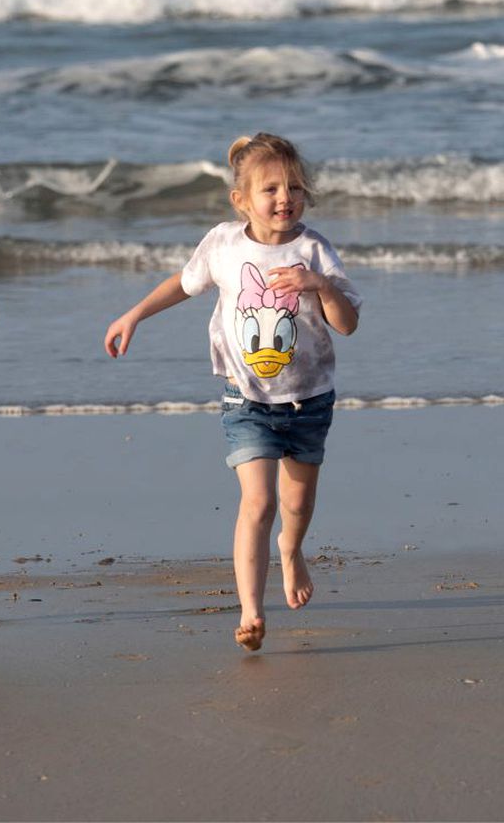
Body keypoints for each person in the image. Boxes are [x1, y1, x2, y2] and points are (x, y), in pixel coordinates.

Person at [104, 133, 360, 652]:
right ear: (241, 199)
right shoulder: (222, 243)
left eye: (293, 187)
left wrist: (320, 286)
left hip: (310, 399)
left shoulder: (313, 251)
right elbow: (184, 283)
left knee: (297, 502)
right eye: (270, 189)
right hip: (245, 401)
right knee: (259, 501)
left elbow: (348, 323)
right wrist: (134, 314)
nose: (284, 197)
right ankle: (250, 611)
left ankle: (292, 550)